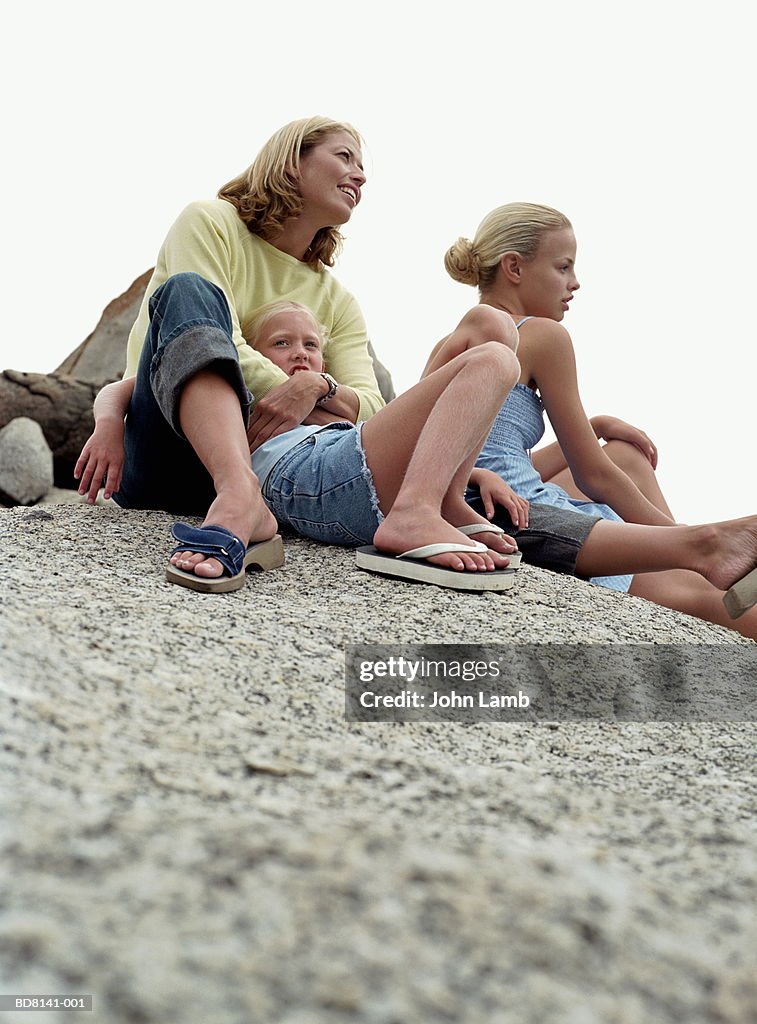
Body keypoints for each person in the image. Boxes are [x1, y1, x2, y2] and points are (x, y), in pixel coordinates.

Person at [435, 201, 757, 636]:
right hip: (528, 517)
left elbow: (486, 456)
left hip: (491, 499)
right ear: (514, 267)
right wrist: (682, 537)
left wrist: (599, 426)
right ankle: (708, 551)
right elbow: (593, 475)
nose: (574, 283)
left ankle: (700, 554)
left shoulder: (451, 341)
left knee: (624, 455)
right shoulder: (541, 335)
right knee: (704, 595)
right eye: (563, 267)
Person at [78, 300, 526, 591]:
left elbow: (396, 423)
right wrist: (108, 428)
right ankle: (414, 513)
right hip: (308, 473)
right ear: (248, 356)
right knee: (495, 359)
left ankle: (444, 498)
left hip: (350, 457)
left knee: (492, 326)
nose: (299, 353)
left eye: (310, 345)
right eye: (281, 343)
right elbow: (123, 389)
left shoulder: (329, 399)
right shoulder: (238, 391)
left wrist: (473, 471)